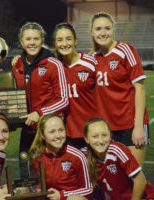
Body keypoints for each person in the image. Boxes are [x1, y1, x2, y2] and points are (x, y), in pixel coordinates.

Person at [89, 12, 149, 166]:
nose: (103, 33)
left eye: (107, 28)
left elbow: (140, 89)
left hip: (130, 124)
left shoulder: (125, 50)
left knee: (135, 177)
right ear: (91, 32)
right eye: (98, 29)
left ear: (113, 30)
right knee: (115, 178)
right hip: (107, 127)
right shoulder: (92, 58)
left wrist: (138, 127)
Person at [12, 22, 69, 177]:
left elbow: (64, 100)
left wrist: (39, 113)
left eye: (36, 39)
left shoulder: (54, 64)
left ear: (42, 41)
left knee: (49, 177)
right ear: (22, 42)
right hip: (27, 130)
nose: (32, 43)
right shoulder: (16, 64)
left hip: (48, 131)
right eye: (28, 39)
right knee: (25, 174)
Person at [83, 118, 154, 200]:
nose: (101, 141)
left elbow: (140, 181)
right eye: (95, 136)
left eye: (104, 135)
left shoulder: (117, 150)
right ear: (86, 139)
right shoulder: (84, 155)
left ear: (110, 136)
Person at [52, 22, 97, 150]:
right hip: (65, 134)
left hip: (90, 130)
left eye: (69, 39)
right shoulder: (54, 67)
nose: (65, 44)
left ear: (75, 41)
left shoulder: (90, 63)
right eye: (59, 40)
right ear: (55, 44)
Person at [29, 114, 93, 200]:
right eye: (52, 132)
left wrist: (62, 195)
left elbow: (88, 189)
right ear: (42, 135)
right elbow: (36, 185)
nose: (58, 136)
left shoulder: (77, 156)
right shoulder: (37, 157)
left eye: (61, 130)